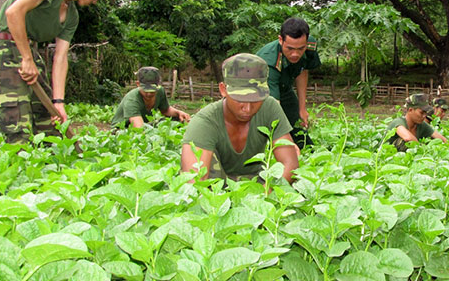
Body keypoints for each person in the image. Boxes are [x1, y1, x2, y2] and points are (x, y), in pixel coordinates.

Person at [0, 0, 116, 144]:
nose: (95, 1)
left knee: (49, 120)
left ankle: (49, 167)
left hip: (29, 51)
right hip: (5, 49)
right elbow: (13, 12)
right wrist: (26, 59)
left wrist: (58, 102)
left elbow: (60, 57)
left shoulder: (72, 16)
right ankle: (19, 165)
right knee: (17, 125)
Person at [180, 53, 299, 182]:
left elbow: (290, 164)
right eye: (240, 98)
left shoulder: (269, 107)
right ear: (223, 89)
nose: (247, 109)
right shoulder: (204, 122)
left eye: (255, 99)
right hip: (216, 188)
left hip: (256, 185)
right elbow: (194, 182)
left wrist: (266, 195)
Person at [255, 17, 321, 149]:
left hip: (285, 88)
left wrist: (302, 108)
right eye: (290, 49)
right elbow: (273, 106)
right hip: (258, 92)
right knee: (268, 131)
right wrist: (288, 144)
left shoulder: (310, 46)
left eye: (300, 49)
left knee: (299, 129)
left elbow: (302, 70)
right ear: (280, 40)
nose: (295, 54)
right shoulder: (269, 61)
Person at [111, 67, 190, 128]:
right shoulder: (132, 99)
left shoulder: (160, 91)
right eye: (146, 90)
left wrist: (178, 113)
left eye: (152, 90)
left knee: (177, 120)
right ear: (138, 84)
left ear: (158, 86)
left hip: (145, 124)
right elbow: (138, 128)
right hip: (124, 128)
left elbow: (165, 110)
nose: (149, 94)